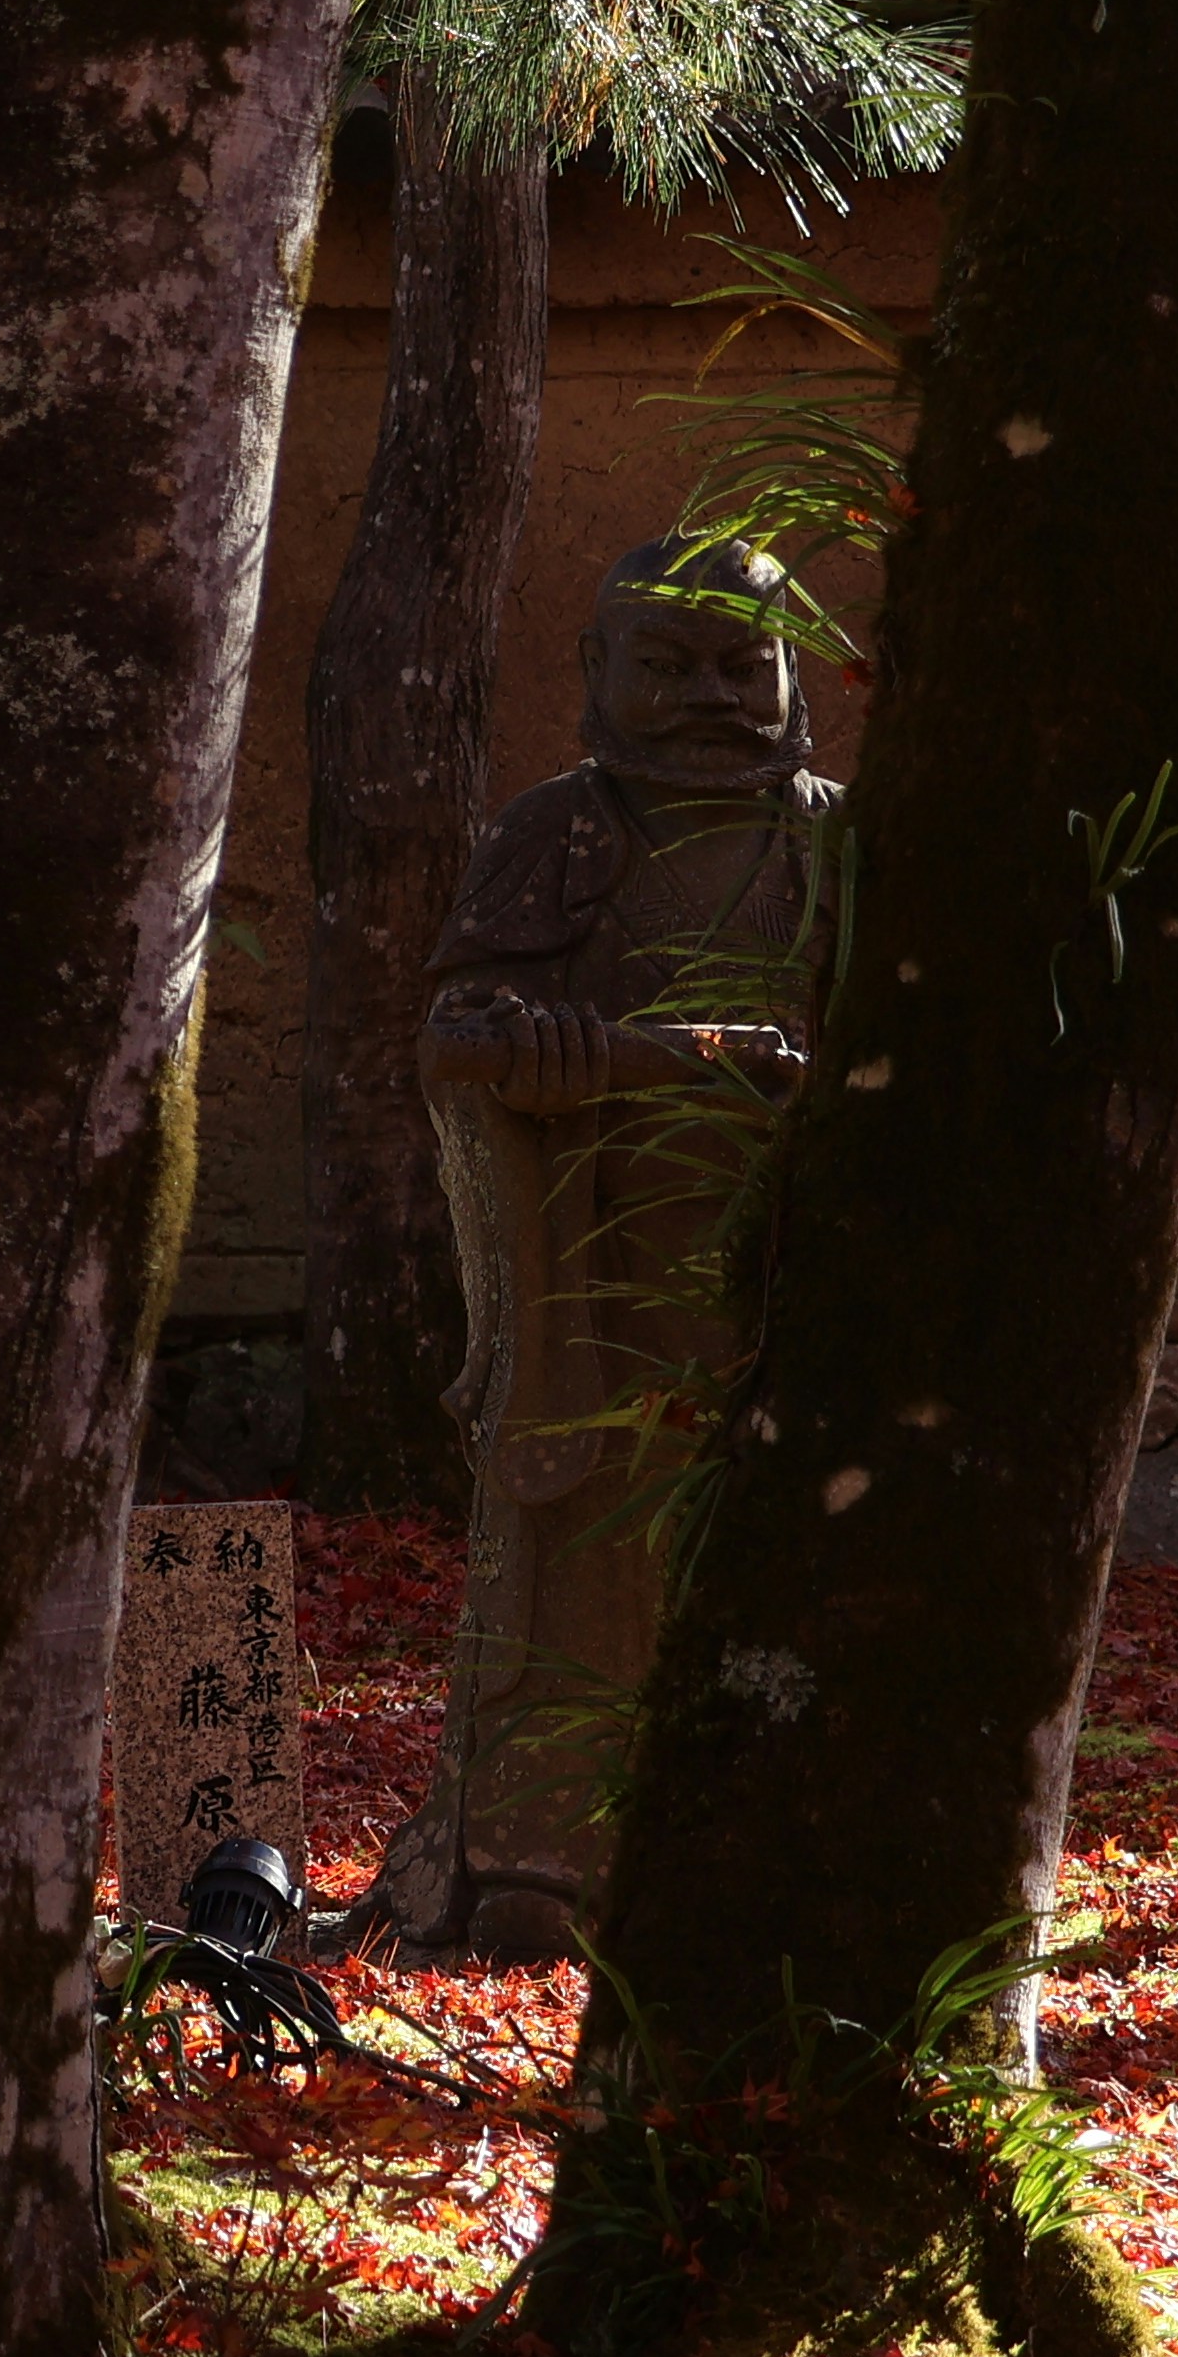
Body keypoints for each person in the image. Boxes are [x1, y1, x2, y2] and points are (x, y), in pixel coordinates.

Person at [373, 533, 834, 1961]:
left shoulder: (837, 840)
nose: (707, 693)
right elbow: (459, 1048)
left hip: (787, 1266)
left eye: (738, 663)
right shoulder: (556, 834)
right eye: (666, 664)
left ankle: (775, 1837)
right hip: (593, 1264)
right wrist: (565, 1069)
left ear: (791, 672)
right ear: (595, 673)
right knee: (577, 1548)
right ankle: (537, 1853)